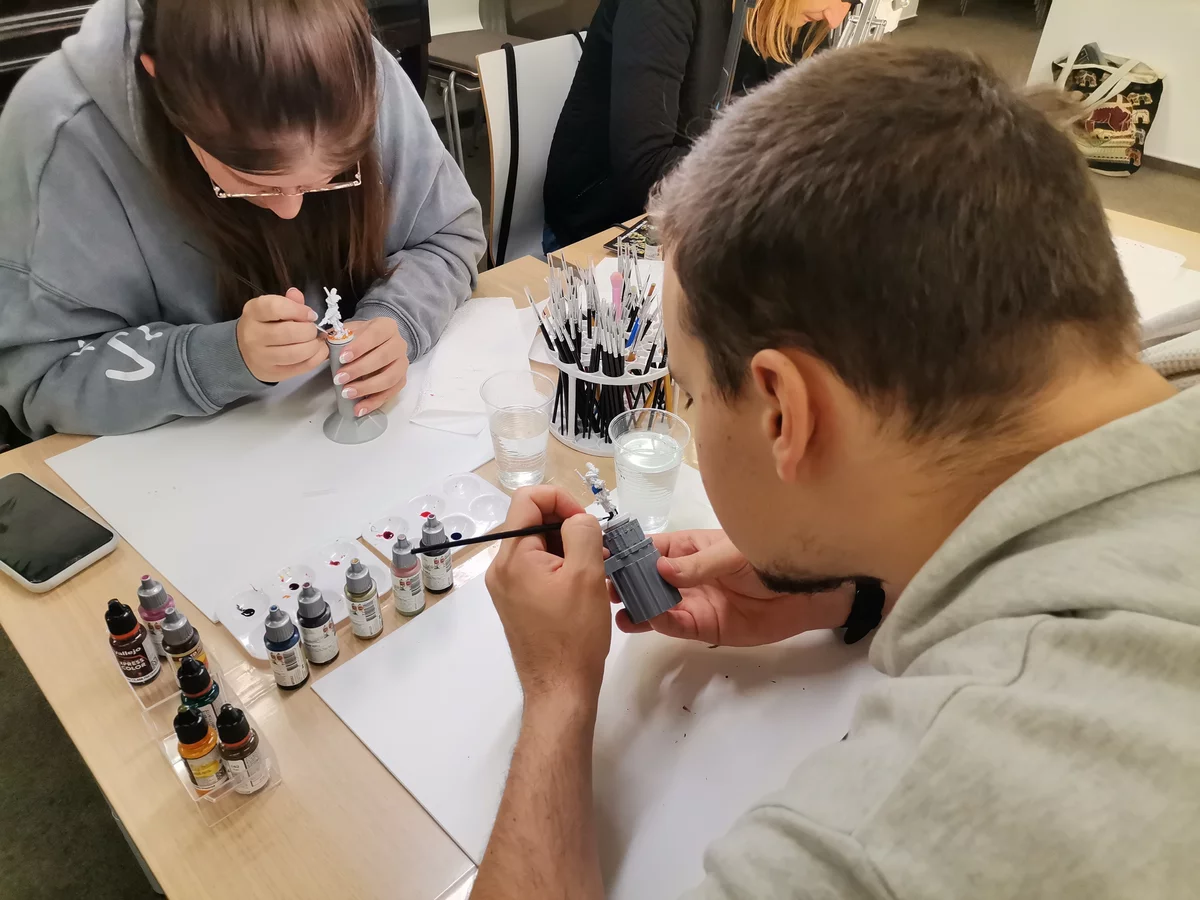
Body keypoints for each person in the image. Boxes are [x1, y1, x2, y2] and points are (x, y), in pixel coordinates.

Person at [475, 45, 1200, 899]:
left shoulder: (924, 823)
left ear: (785, 412)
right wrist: (856, 587)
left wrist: (557, 691)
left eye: (692, 390)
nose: (692, 410)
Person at [0, 0, 485, 441]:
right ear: (159, 80)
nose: (291, 209)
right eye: (253, 181)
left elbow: (449, 235)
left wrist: (397, 319)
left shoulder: (354, 69)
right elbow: (42, 378)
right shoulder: (61, 133)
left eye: (333, 176)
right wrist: (219, 358)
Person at [542, 0, 851, 251]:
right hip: (606, 230)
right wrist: (778, 174)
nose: (835, 17)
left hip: (721, 218)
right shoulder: (661, 7)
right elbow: (644, 170)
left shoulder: (804, 18)